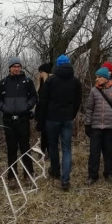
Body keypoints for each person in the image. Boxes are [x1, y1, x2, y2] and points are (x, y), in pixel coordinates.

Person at [0, 57, 38, 187]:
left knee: (25, 149)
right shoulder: (3, 83)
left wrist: (26, 107)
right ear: (9, 68)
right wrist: (4, 108)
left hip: (23, 120)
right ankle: (12, 177)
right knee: (11, 150)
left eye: (19, 66)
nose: (17, 68)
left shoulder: (27, 82)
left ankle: (28, 175)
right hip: (9, 121)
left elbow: (34, 97)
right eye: (14, 66)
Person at [42, 54, 82, 191]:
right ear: (69, 64)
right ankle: (65, 180)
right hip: (67, 119)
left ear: (57, 65)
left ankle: (55, 171)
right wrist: (72, 114)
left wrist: (43, 117)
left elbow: (43, 101)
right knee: (66, 149)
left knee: (53, 146)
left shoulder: (51, 81)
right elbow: (78, 101)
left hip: (52, 118)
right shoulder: (75, 81)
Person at [84, 67, 112, 184]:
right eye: (96, 77)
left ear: (106, 78)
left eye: (99, 77)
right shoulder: (94, 91)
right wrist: (87, 124)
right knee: (94, 152)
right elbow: (89, 108)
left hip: (110, 126)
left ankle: (109, 173)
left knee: (109, 151)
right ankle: (92, 175)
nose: (97, 79)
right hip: (96, 126)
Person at [35, 62, 53, 159]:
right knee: (43, 134)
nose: (40, 74)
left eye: (41, 72)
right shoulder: (41, 84)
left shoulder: (51, 83)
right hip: (42, 113)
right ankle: (42, 152)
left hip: (49, 113)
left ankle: (49, 152)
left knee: (49, 134)